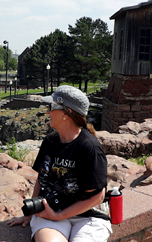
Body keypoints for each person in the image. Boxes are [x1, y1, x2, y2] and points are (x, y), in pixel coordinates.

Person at [6, 85, 111, 242]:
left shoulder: (90, 148)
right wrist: (30, 213)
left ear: (66, 113)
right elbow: (41, 181)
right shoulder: (50, 142)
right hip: (49, 210)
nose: (47, 112)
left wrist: (60, 216)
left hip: (88, 216)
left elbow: (97, 197)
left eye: (51, 107)